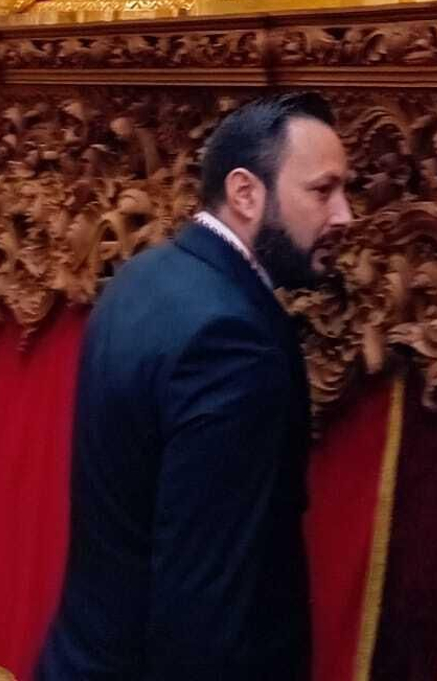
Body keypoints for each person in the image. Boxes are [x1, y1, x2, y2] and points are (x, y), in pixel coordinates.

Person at [37, 92, 351, 681]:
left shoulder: (144, 274)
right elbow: (207, 598)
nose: (344, 216)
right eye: (322, 190)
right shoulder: (233, 344)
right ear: (245, 193)